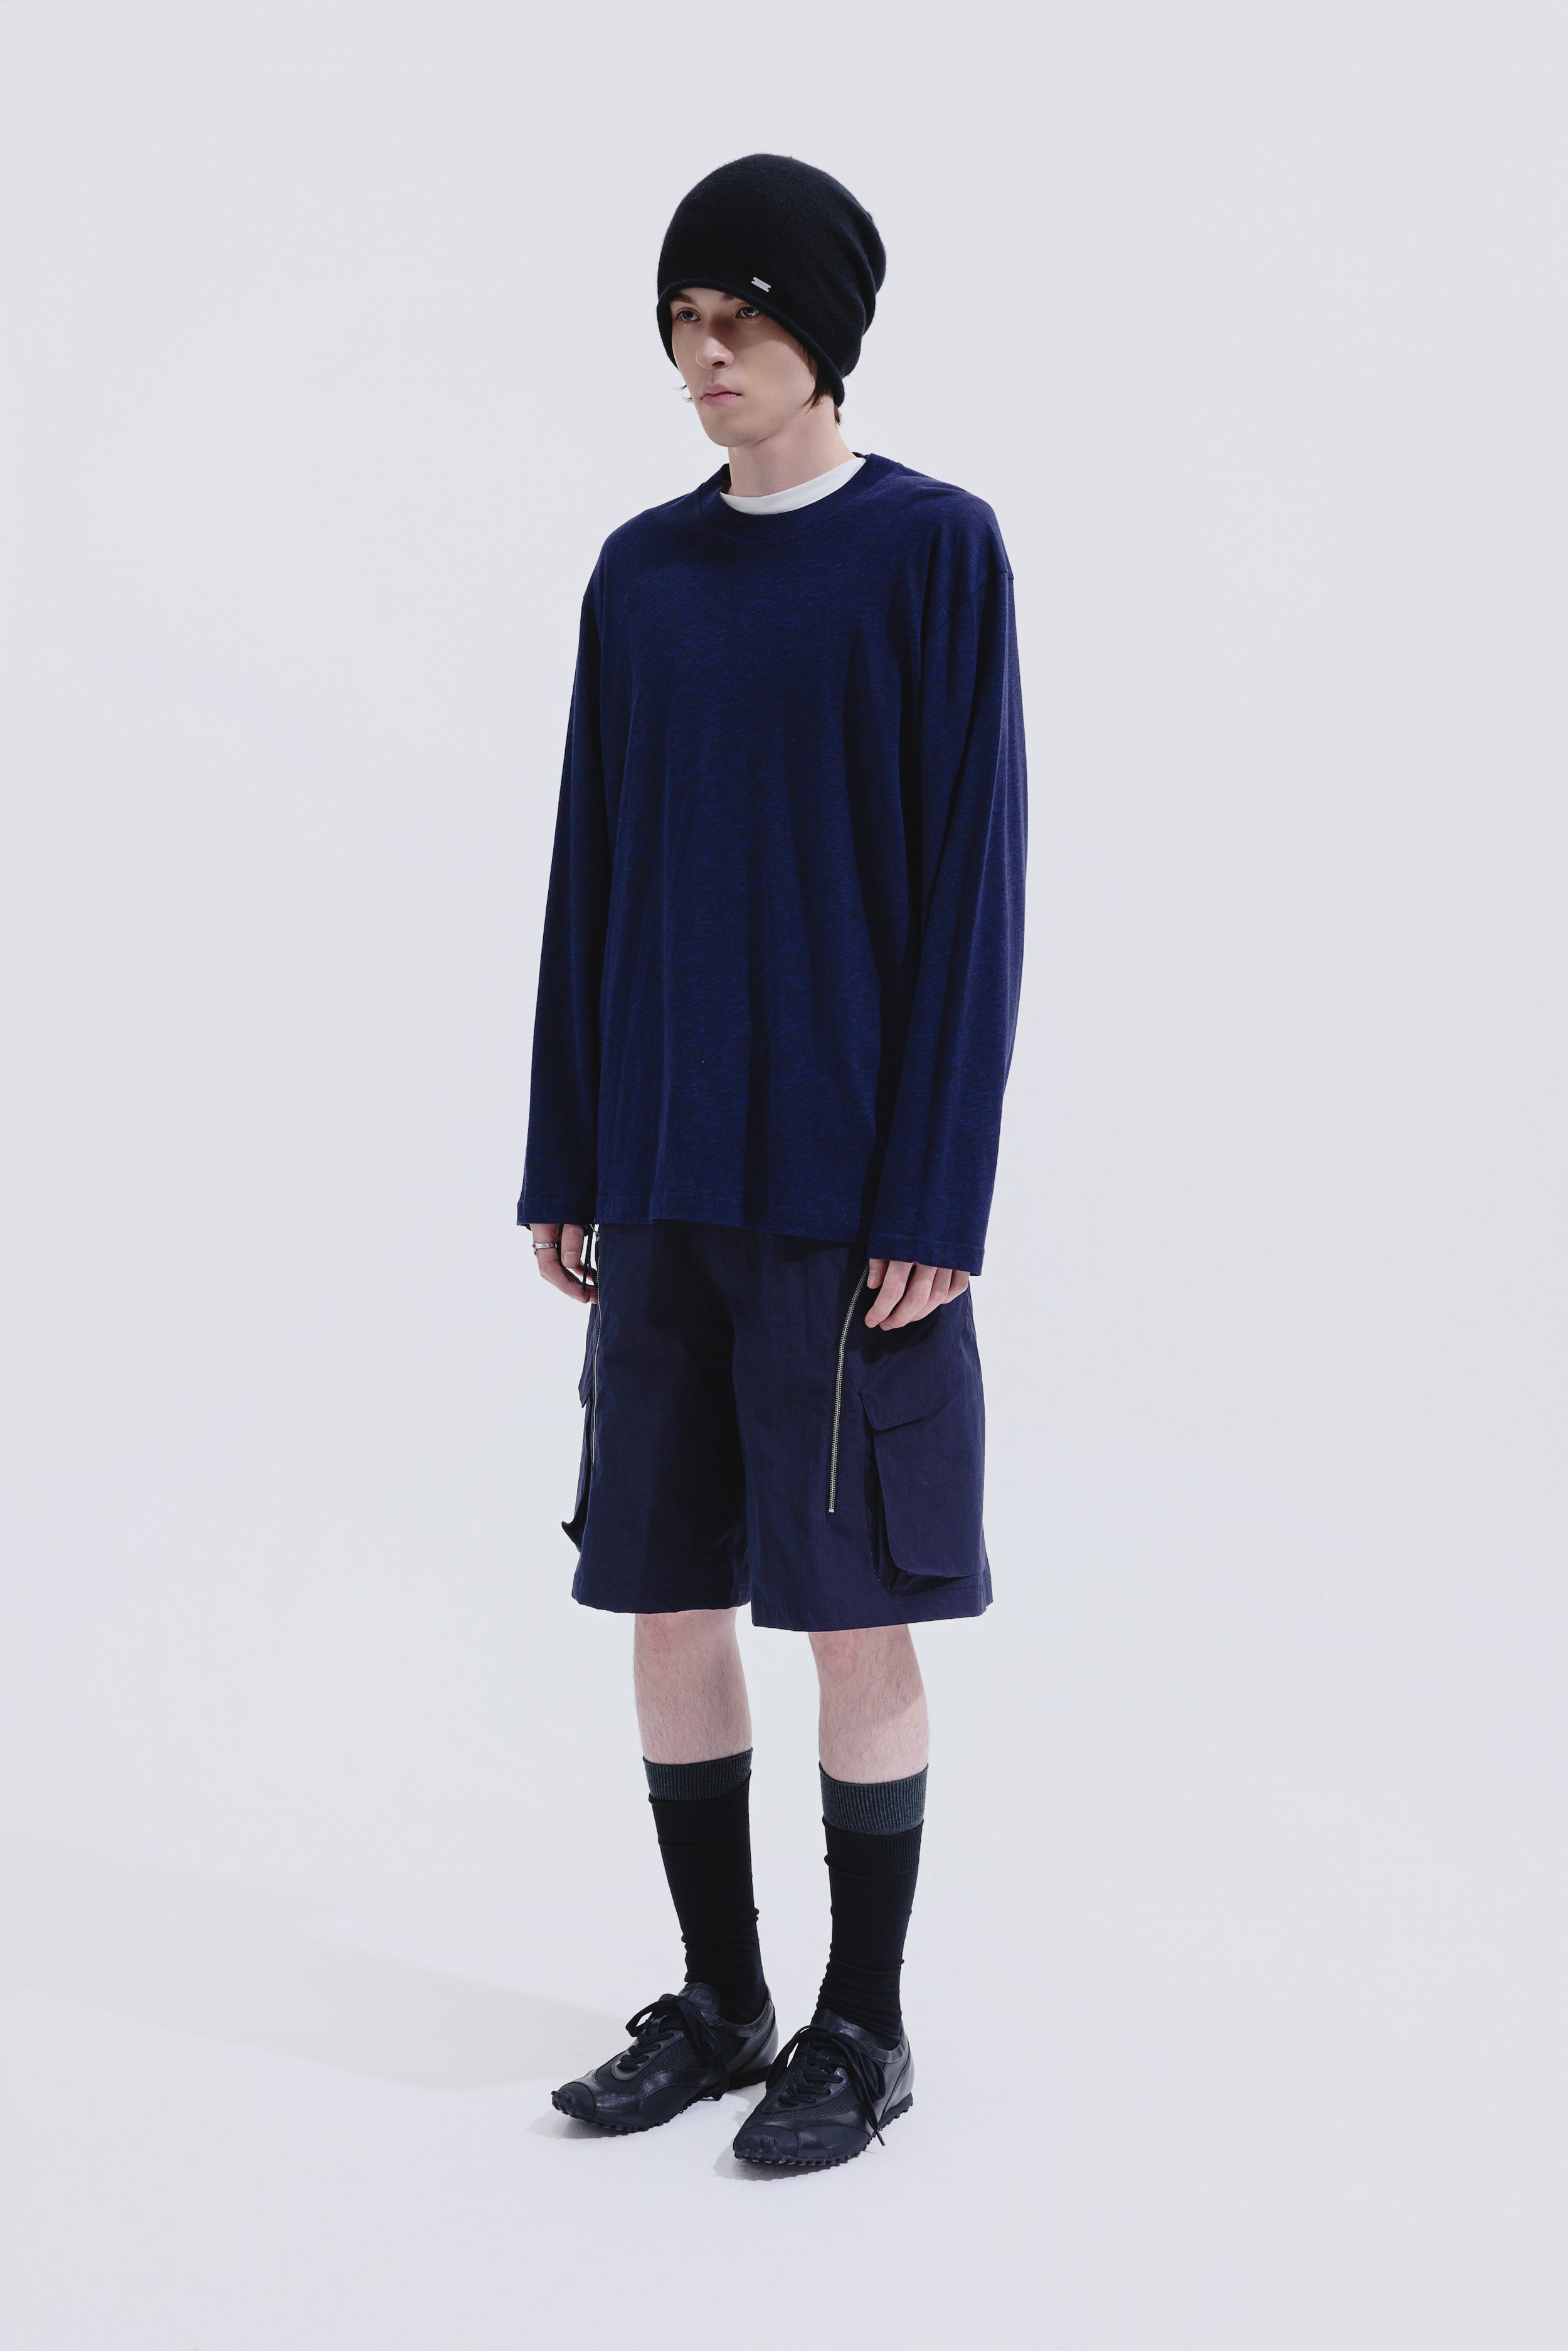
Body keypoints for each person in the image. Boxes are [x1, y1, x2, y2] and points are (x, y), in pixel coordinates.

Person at [519, 153, 1026, 2169]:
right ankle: (721, 1998)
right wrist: (566, 1150)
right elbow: (589, 871)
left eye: (734, 322)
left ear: (822, 332)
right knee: (663, 1590)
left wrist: (936, 1196)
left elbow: (974, 890)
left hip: (843, 1193)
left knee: (850, 1607)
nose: (701, 358)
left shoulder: (931, 553)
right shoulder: (638, 575)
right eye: (679, 326)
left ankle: (861, 2022)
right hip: (658, 1170)